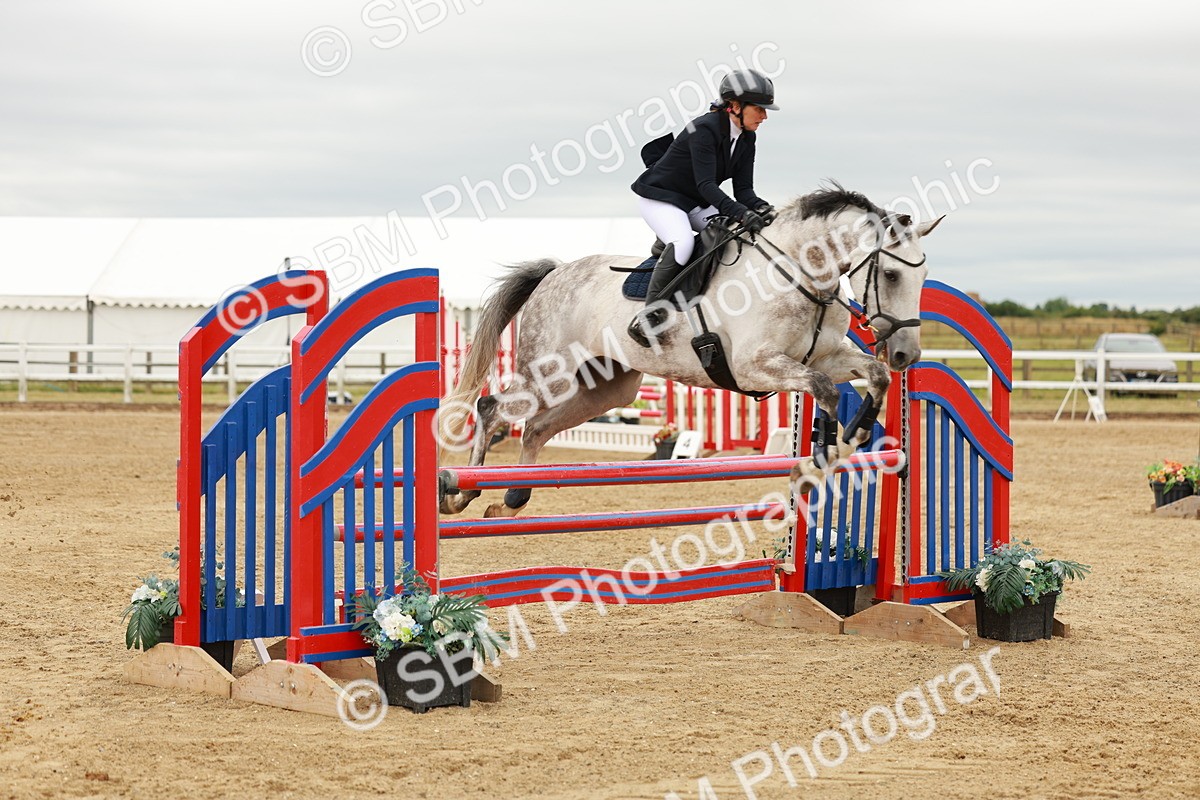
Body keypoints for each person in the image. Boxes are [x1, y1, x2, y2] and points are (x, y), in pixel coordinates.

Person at [627, 68, 778, 347]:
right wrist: (741, 212)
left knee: (732, 235)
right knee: (683, 241)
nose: (765, 116)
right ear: (734, 106)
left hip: (694, 201)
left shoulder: (747, 138)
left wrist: (764, 210)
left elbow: (744, 191)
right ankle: (648, 316)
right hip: (661, 197)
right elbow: (707, 185)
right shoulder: (704, 129)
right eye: (759, 109)